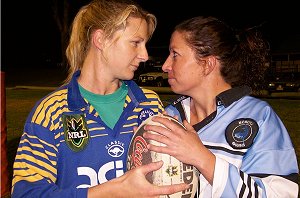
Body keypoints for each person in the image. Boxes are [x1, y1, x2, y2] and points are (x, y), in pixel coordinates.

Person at [11, 0, 189, 197]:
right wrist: (110, 191)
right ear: (101, 39)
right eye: (136, 43)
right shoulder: (51, 111)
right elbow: (26, 193)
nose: (145, 55)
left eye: (145, 44)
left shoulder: (149, 103)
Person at [143, 16, 299, 197]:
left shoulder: (259, 118)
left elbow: (280, 194)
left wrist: (202, 158)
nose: (165, 66)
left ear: (207, 64)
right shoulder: (168, 117)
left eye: (175, 55)